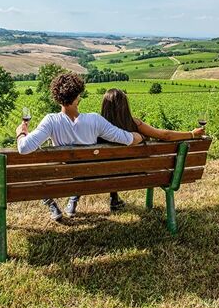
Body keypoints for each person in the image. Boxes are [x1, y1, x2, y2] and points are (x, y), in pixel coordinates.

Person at [16, 72, 143, 222]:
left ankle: (52, 205)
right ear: (78, 97)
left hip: (62, 176)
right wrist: (140, 135)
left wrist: (21, 133)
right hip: (89, 175)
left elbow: (24, 148)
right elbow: (127, 139)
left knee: (33, 173)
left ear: (58, 99)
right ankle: (72, 201)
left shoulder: (50, 121)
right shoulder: (95, 120)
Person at [98, 88, 206, 211]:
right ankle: (115, 198)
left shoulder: (98, 126)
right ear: (125, 106)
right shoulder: (134, 123)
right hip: (138, 174)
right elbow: (165, 136)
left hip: (104, 176)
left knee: (112, 164)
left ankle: (114, 196)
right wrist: (191, 134)